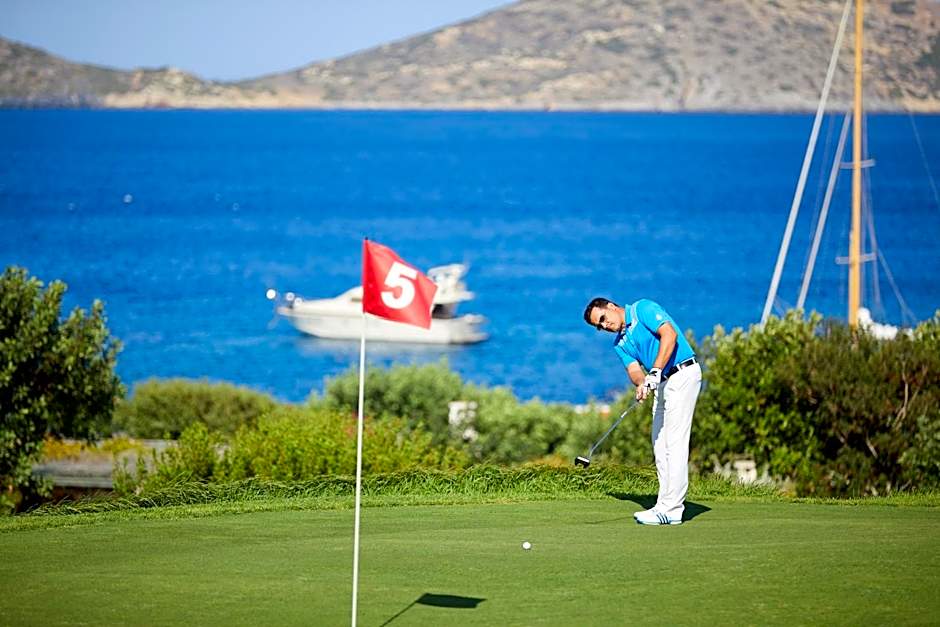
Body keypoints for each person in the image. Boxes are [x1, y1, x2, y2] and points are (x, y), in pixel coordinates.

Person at [583, 297, 702, 525]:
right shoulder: (620, 344)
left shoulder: (642, 309)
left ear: (610, 306)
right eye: (599, 326)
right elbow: (634, 370)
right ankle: (663, 505)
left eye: (603, 319)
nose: (604, 326)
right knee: (659, 444)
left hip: (683, 374)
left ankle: (673, 508)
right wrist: (642, 384)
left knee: (674, 443)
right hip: (662, 383)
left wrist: (655, 371)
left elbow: (670, 334)